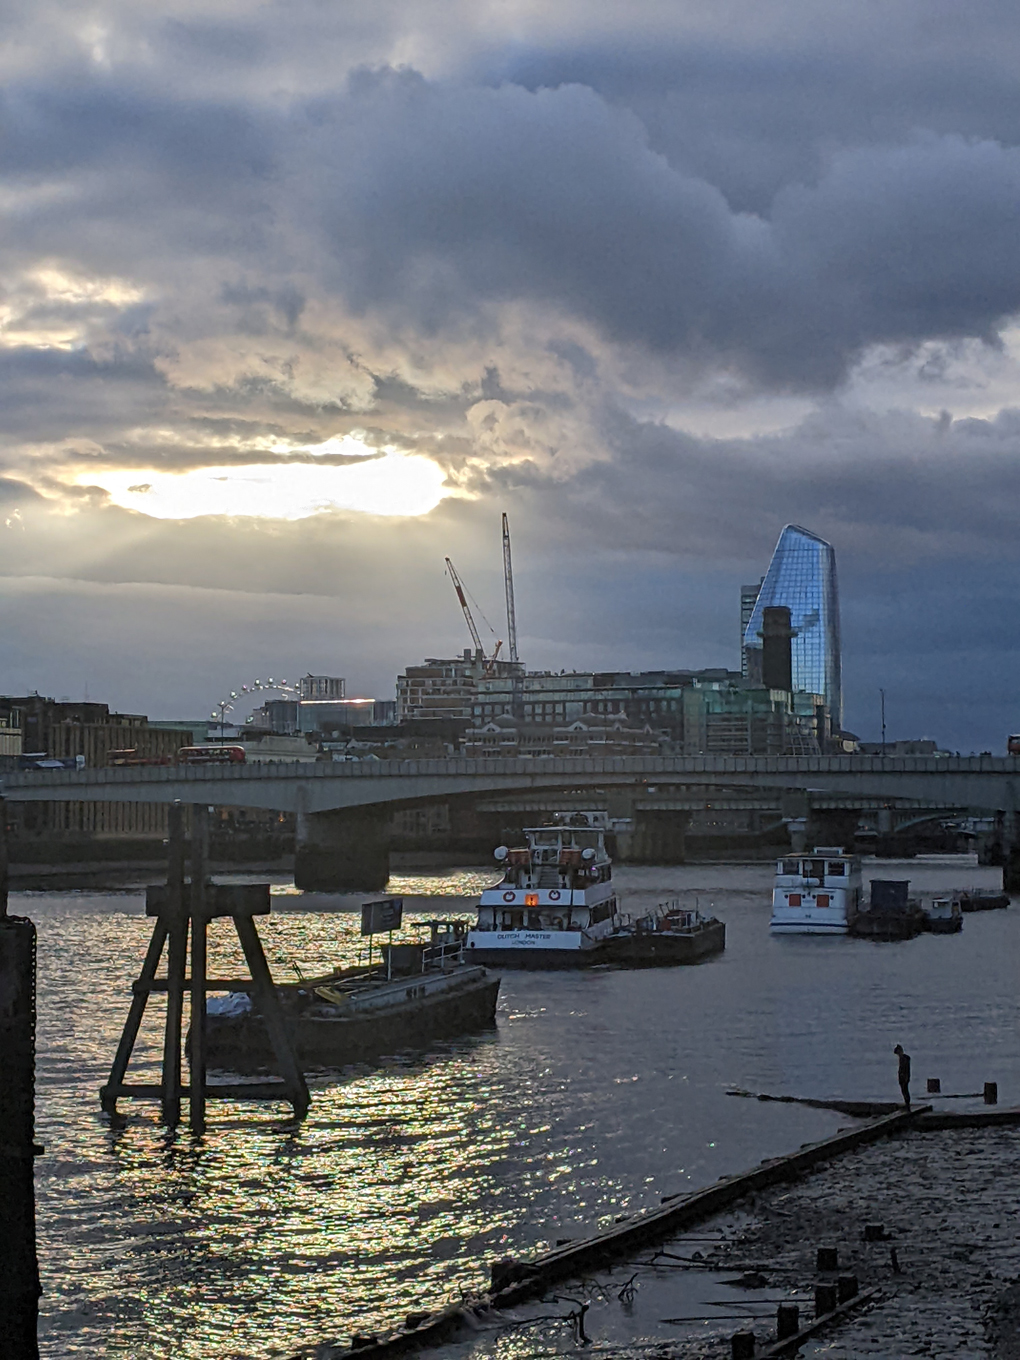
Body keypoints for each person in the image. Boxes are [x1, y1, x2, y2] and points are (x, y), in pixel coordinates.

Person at [894, 1044, 911, 1108]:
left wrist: (904, 1076)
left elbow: (905, 1069)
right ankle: (906, 1102)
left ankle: (907, 1102)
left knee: (905, 1090)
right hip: (903, 1077)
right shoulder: (902, 1058)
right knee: (904, 1090)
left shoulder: (904, 1059)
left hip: (904, 1077)